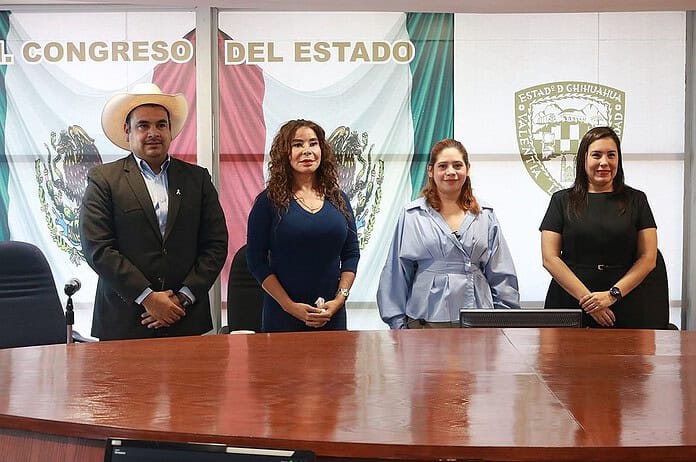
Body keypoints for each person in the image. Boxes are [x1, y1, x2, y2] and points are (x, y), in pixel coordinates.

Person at [80, 83, 228, 340]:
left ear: (170, 130)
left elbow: (215, 244)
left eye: (161, 125)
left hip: (185, 317)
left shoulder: (197, 179)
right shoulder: (104, 179)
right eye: (143, 125)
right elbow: (98, 248)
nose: (153, 133)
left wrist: (182, 298)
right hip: (125, 320)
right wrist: (148, 298)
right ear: (127, 131)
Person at [378, 138, 520, 329]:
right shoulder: (412, 215)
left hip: (477, 319)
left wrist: (506, 319)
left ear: (467, 169)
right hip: (425, 320)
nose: (450, 172)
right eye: (443, 166)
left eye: (457, 165)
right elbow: (396, 272)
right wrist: (397, 323)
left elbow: (501, 271)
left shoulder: (485, 215)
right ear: (431, 170)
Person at [246, 119, 360, 332]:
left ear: (322, 150)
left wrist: (339, 299)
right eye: (297, 144)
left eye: (313, 143)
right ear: (285, 153)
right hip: (283, 316)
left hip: (331, 315)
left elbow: (351, 253)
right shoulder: (268, 202)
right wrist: (289, 306)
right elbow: (255, 261)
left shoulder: (340, 200)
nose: (307, 150)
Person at [540, 126, 659, 328]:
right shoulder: (561, 200)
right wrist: (590, 302)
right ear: (584, 159)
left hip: (624, 301)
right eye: (596, 155)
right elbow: (549, 258)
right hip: (570, 301)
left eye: (611, 155)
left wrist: (612, 295)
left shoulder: (637, 200)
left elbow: (648, 258)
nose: (604, 162)